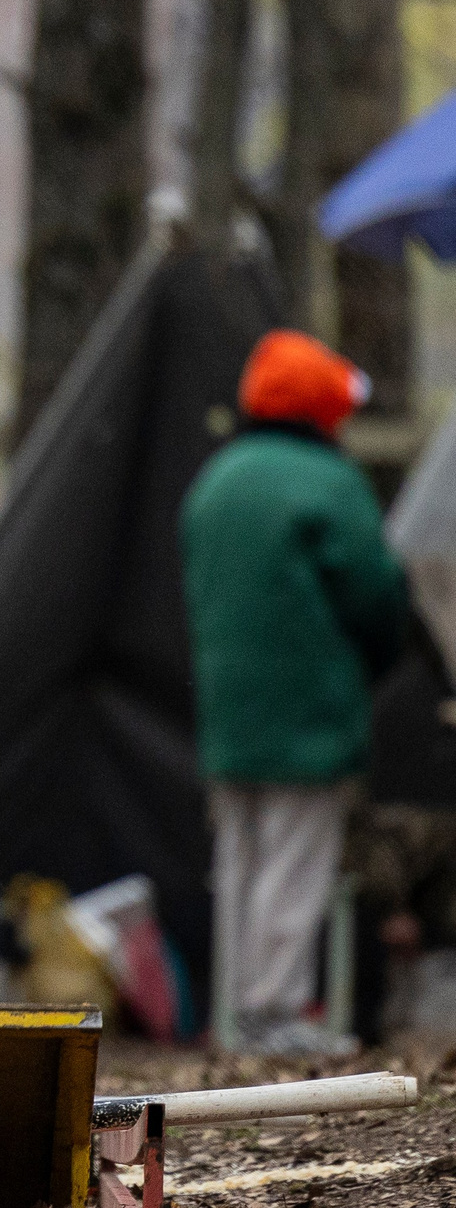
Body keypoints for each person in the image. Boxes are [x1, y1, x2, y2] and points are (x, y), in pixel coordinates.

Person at [181, 328, 408, 1059]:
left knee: (239, 860)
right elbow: (375, 594)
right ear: (322, 408)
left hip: (227, 712)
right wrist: (380, 657)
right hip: (308, 712)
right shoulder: (329, 483)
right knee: (296, 860)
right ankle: (273, 1011)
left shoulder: (217, 480)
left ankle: (234, 1008)